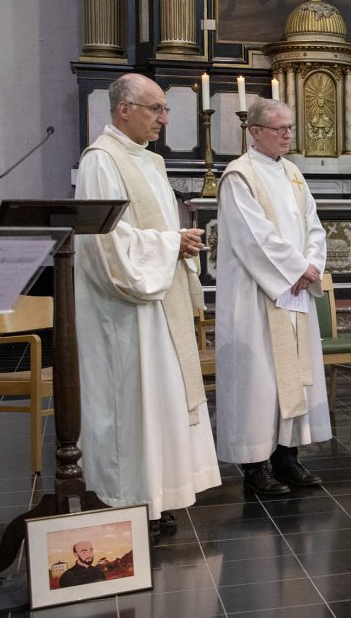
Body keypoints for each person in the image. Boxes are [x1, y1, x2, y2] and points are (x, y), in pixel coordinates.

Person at [74, 73, 220, 534]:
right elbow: (106, 240)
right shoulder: (101, 161)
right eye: (155, 108)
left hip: (159, 301)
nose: (164, 118)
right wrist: (169, 244)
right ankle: (129, 499)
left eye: (164, 109)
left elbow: (152, 229)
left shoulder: (150, 162)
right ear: (124, 110)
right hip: (126, 309)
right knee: (133, 404)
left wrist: (178, 243)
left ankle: (158, 495)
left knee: (163, 402)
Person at [215, 98, 332, 495]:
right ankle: (254, 464)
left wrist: (311, 264)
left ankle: (287, 457)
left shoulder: (294, 174)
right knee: (259, 380)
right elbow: (253, 237)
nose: (287, 135)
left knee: (293, 376)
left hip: (293, 294)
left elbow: (314, 226)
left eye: (289, 128)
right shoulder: (239, 176)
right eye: (279, 128)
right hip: (257, 295)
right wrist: (297, 269)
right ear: (254, 131)